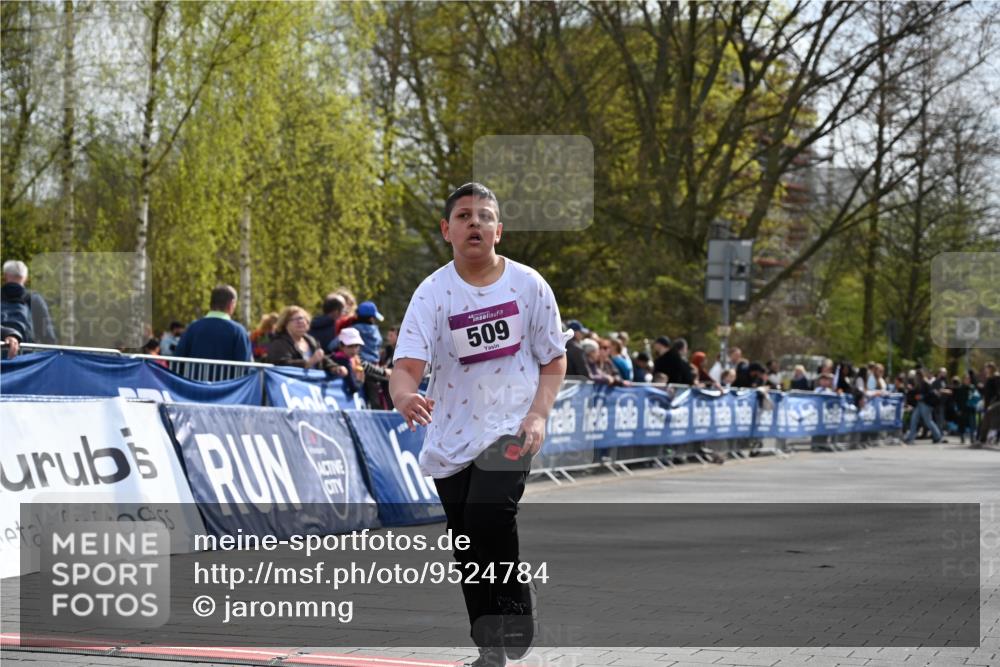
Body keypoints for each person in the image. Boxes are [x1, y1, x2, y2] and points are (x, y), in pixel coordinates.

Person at [389, 182, 567, 667]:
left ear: (498, 230)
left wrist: (538, 415)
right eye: (464, 216)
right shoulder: (432, 293)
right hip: (451, 434)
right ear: (447, 230)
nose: (475, 223)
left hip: (511, 427)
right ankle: (488, 646)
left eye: (484, 216)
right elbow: (405, 366)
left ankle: (513, 606)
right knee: (466, 537)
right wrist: (405, 396)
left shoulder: (529, 286)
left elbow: (554, 359)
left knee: (489, 515)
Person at [174, 285, 252, 362]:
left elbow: (177, 360)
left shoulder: (192, 328)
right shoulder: (239, 332)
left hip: (192, 375)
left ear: (211, 303)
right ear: (231, 304)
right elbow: (246, 367)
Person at [266, 306, 347, 377]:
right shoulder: (279, 343)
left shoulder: (311, 341)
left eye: (302, 318)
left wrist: (335, 368)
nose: (300, 322)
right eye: (295, 319)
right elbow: (281, 365)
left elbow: (321, 359)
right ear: (285, 323)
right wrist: (308, 363)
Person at [1, 259, 56, 345]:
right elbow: (47, 333)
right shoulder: (35, 299)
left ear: (5, 276)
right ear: (25, 278)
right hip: (26, 355)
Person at [904, 369, 946, 444]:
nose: (916, 377)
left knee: (928, 421)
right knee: (914, 420)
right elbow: (915, 392)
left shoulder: (925, 383)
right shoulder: (918, 383)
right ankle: (911, 438)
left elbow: (930, 393)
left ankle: (938, 436)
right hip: (920, 404)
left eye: (918, 375)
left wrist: (922, 396)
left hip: (926, 405)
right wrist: (911, 391)